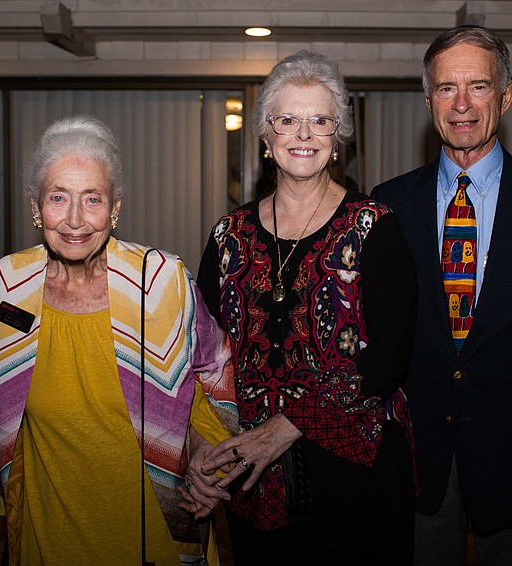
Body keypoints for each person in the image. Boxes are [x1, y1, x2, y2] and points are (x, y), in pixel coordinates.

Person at [372, 25, 512, 565]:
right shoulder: (387, 205)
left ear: (507, 93)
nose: (462, 105)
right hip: (417, 463)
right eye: (446, 89)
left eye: (478, 86)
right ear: (428, 99)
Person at [193, 50, 418, 565]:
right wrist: (203, 446)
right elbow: (204, 356)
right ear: (266, 137)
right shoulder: (227, 237)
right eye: (287, 120)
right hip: (253, 474)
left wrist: (285, 427)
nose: (303, 134)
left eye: (320, 120)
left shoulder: (374, 227)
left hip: (357, 475)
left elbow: (390, 355)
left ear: (338, 138)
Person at [0, 115, 238, 565]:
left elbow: (216, 370)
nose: (74, 220)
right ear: (35, 207)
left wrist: (211, 465)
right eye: (58, 197)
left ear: (116, 208)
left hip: (149, 526)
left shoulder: (161, 280)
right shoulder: (9, 282)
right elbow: (6, 393)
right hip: (48, 527)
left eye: (93, 199)